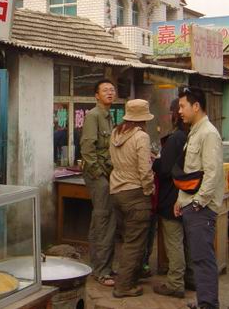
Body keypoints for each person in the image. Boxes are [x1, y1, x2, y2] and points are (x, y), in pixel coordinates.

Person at [174, 87, 224, 309]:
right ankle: (204, 300)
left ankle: (208, 305)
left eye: (182, 106)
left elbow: (212, 173)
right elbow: (191, 172)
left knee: (203, 259)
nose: (179, 111)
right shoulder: (195, 131)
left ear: (196, 106)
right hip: (191, 204)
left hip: (201, 208)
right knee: (198, 257)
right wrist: (180, 199)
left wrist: (197, 203)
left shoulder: (208, 133)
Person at [109, 99, 155, 298]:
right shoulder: (141, 137)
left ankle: (128, 279)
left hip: (117, 191)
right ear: (143, 119)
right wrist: (149, 189)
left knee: (125, 239)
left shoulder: (115, 133)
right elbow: (145, 169)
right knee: (135, 243)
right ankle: (124, 286)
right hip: (135, 193)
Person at [153, 98, 193, 299]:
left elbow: (165, 169)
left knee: (174, 241)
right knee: (187, 241)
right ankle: (191, 278)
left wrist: (155, 162)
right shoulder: (192, 135)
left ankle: (175, 283)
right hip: (188, 196)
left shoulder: (176, 138)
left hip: (172, 197)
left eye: (172, 111)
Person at [80, 79, 117, 286]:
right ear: (96, 95)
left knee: (106, 220)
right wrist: (99, 174)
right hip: (97, 176)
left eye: (112, 89)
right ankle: (101, 271)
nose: (110, 93)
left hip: (108, 173)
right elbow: (87, 149)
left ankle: (103, 266)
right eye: (105, 90)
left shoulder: (108, 116)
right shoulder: (93, 116)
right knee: (103, 219)